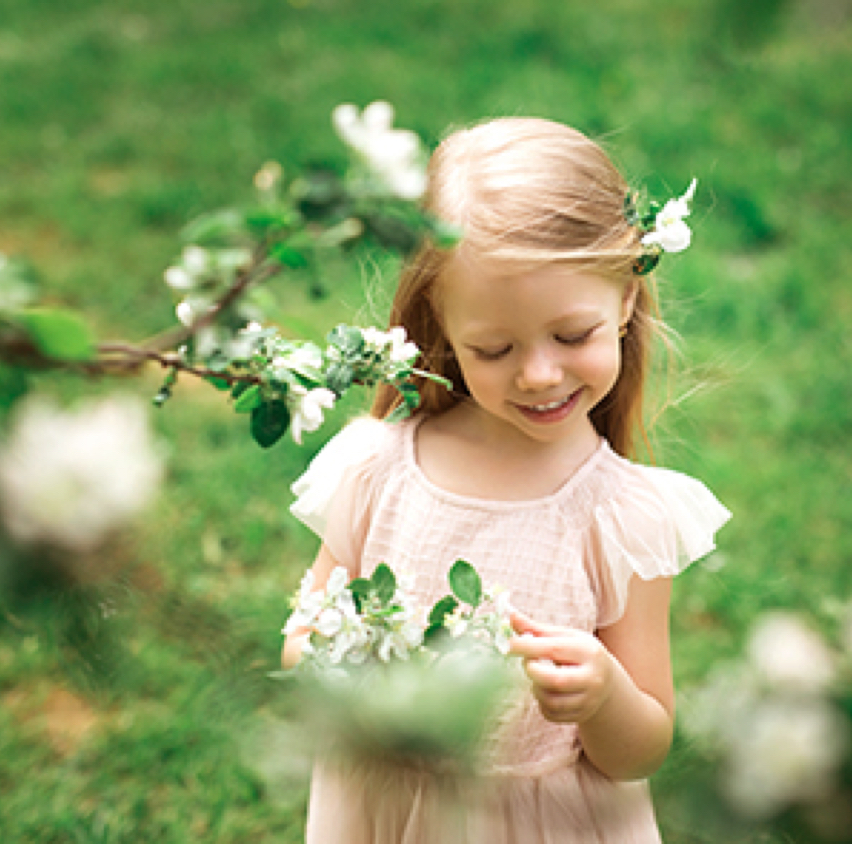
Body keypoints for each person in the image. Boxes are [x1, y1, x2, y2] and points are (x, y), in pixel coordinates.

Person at [282, 116, 730, 843]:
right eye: (493, 348)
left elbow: (641, 749)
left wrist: (604, 695)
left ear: (623, 299)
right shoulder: (378, 469)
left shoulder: (620, 516)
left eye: (572, 335)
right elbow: (303, 635)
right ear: (444, 332)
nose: (539, 374)